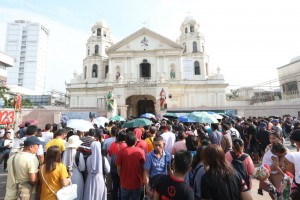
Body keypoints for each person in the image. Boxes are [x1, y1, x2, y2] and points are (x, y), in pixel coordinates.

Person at [116, 131, 146, 200]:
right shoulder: (140, 151)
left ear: (126, 141)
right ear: (135, 141)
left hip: (124, 183)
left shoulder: (121, 152)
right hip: (137, 183)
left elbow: (118, 169)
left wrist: (122, 177)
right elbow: (143, 168)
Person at [62, 135, 86, 200]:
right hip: (77, 175)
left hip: (66, 175)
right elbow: (82, 168)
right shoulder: (78, 154)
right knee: (77, 194)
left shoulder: (64, 152)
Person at [108, 131, 127, 200]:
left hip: (113, 167)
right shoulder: (125, 145)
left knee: (115, 185)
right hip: (122, 168)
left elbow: (110, 154)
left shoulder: (113, 144)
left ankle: (114, 198)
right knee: (121, 186)